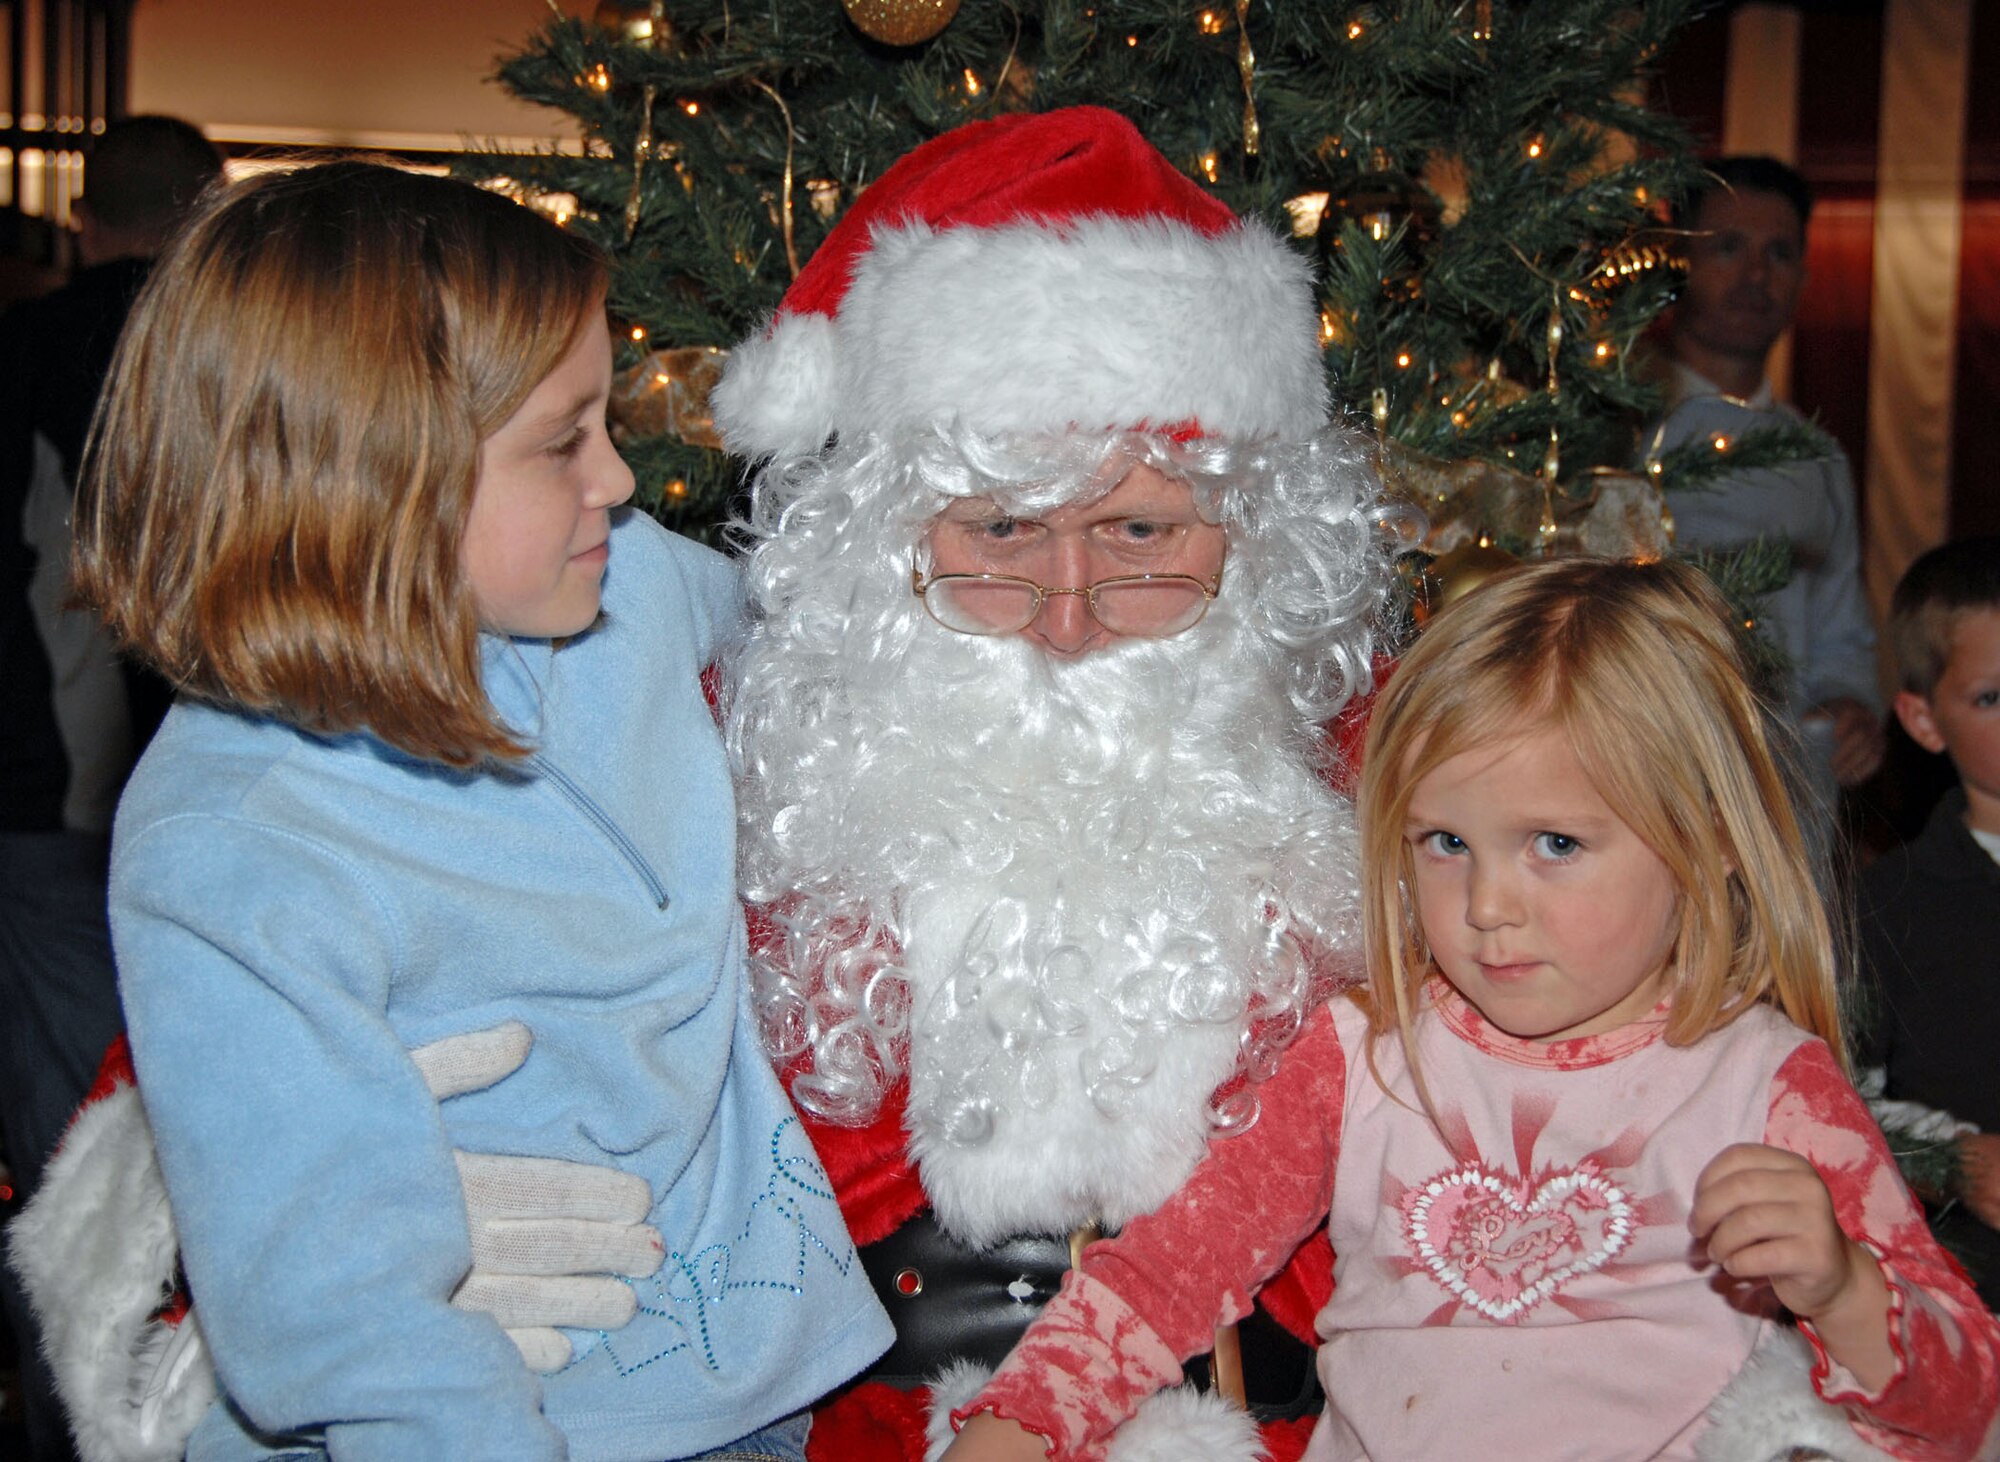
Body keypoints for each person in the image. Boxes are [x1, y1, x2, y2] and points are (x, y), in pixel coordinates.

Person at [43, 160, 891, 1461]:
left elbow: (841, 639)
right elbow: (334, 1304)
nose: (618, 477)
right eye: (565, 441)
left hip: (743, 1384)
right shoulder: (240, 835)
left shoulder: (630, 591)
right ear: (378, 476)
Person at [942, 558, 2000, 1462]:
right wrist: (1015, 1426)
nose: (1487, 908)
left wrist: (1844, 1287)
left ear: (1707, 840)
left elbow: (1967, 1411)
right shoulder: (1364, 1053)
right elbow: (1170, 1272)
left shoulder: (1765, 1081)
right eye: (1444, 843)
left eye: (1555, 844)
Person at [710, 106, 1387, 1461]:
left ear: (1255, 536)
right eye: (1003, 528)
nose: (1067, 614)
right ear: (886, 535)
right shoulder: (745, 745)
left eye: (1139, 530)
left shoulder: (1388, 766)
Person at [0, 113, 222, 1462]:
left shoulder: (27, 350)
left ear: (85, 218)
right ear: (208, 208)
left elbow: (59, 609)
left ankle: (91, 1422)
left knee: (82, 1133)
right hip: (221, 782)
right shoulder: (223, 348)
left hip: (78, 803)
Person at [1654, 155, 1884, 801]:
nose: (1756, 274)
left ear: (1803, 277)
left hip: (1784, 792)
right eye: (1728, 247)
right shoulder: (1610, 432)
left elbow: (1843, 635)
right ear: (1679, 263)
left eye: (1779, 253)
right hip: (1645, 769)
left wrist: (1849, 708)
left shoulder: (1816, 457)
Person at [1858, 535, 2000, 1312]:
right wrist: (1953, 1157)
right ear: (1923, 719)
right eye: (1993, 698)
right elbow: (1836, 1095)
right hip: (1970, 1295)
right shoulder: (1891, 906)